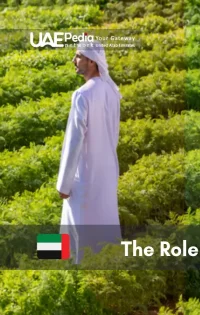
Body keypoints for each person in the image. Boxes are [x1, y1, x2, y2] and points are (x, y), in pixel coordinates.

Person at [56, 40, 122, 264]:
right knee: (104, 228)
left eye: (78, 56)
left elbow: (74, 142)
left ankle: (69, 274)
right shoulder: (111, 92)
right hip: (106, 172)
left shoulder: (82, 95)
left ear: (91, 61)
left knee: (75, 231)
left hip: (84, 175)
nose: (74, 61)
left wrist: (64, 185)